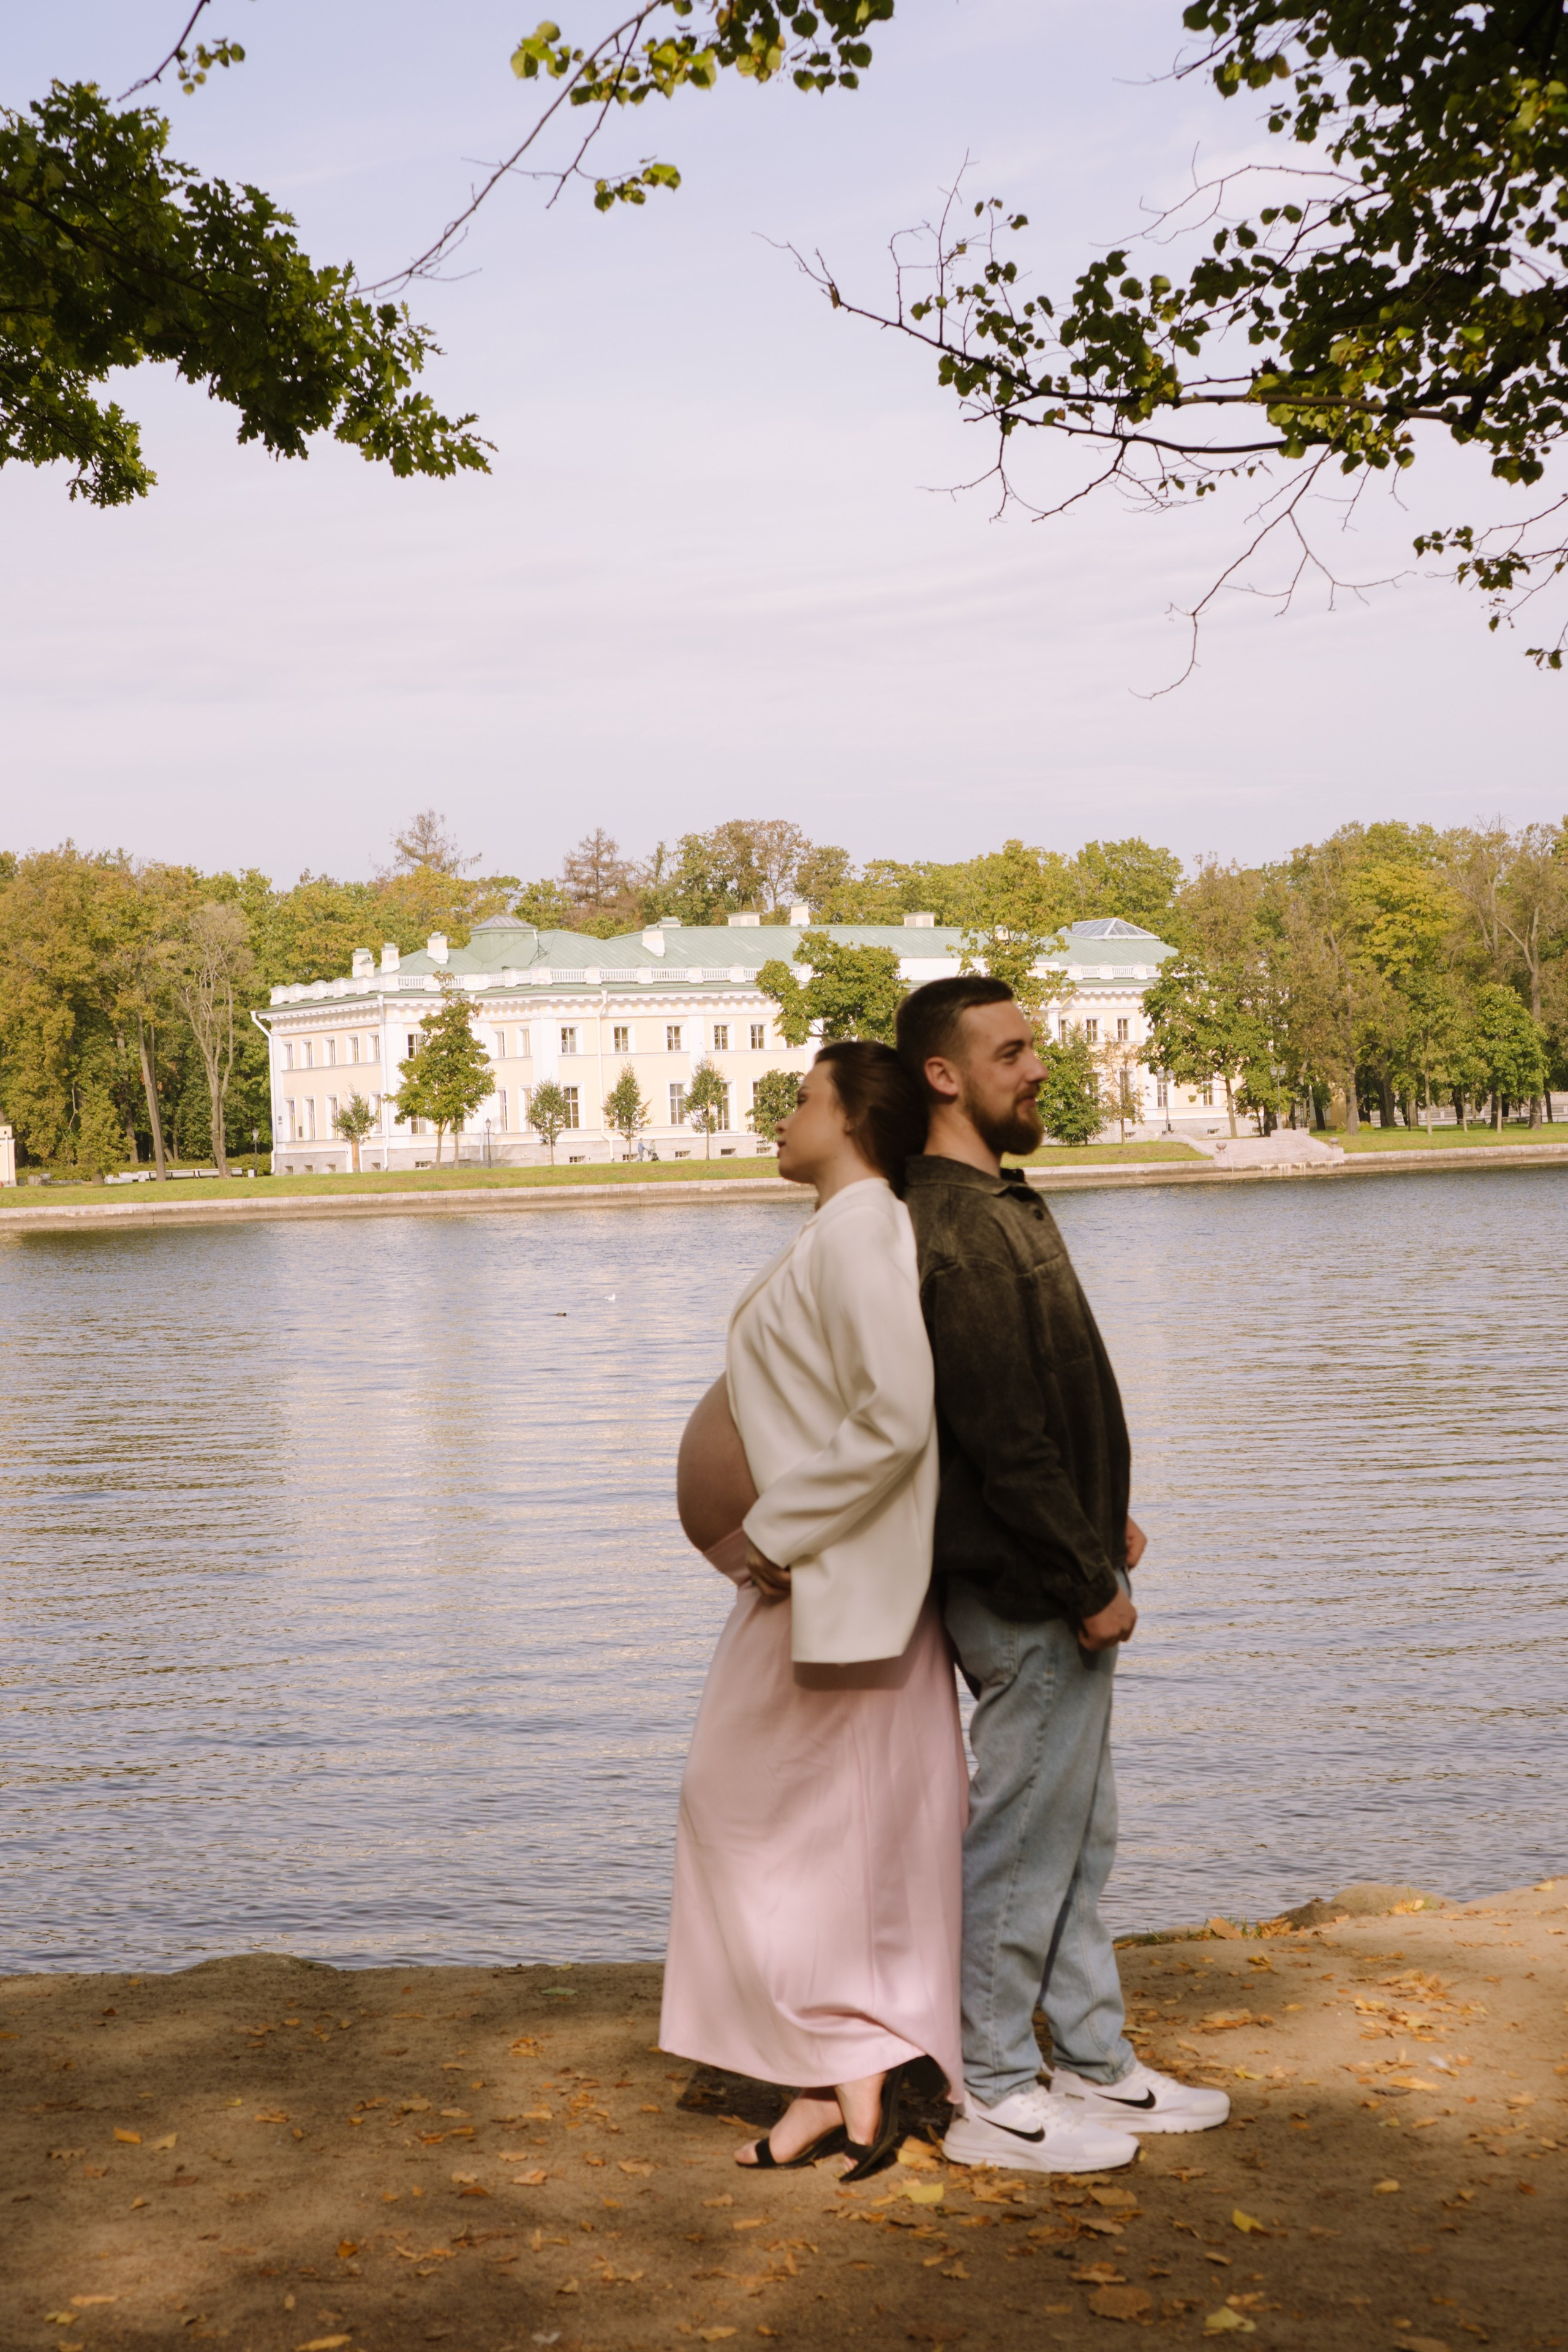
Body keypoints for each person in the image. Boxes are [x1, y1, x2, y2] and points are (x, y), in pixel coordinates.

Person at [895, 975, 1230, 2174]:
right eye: (1012, 1051)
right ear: (943, 1076)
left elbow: (1045, 1400)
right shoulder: (952, 1225)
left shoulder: (1001, 1201)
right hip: (1023, 1587)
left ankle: (1090, 2059)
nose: (1038, 1066)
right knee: (1024, 1835)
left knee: (1078, 1833)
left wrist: (1103, 1519)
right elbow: (999, 1434)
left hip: (1058, 1562)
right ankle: (989, 2090)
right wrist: (1085, 1577)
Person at [660, 1041, 966, 2178]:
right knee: (813, 1832)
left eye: (800, 1099)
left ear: (852, 1120)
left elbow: (897, 1412)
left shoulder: (864, 1229)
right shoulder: (841, 1228)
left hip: (828, 1582)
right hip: (814, 1585)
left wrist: (781, 1530)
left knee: (755, 1813)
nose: (781, 1117)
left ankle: (849, 2069)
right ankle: (835, 2086)